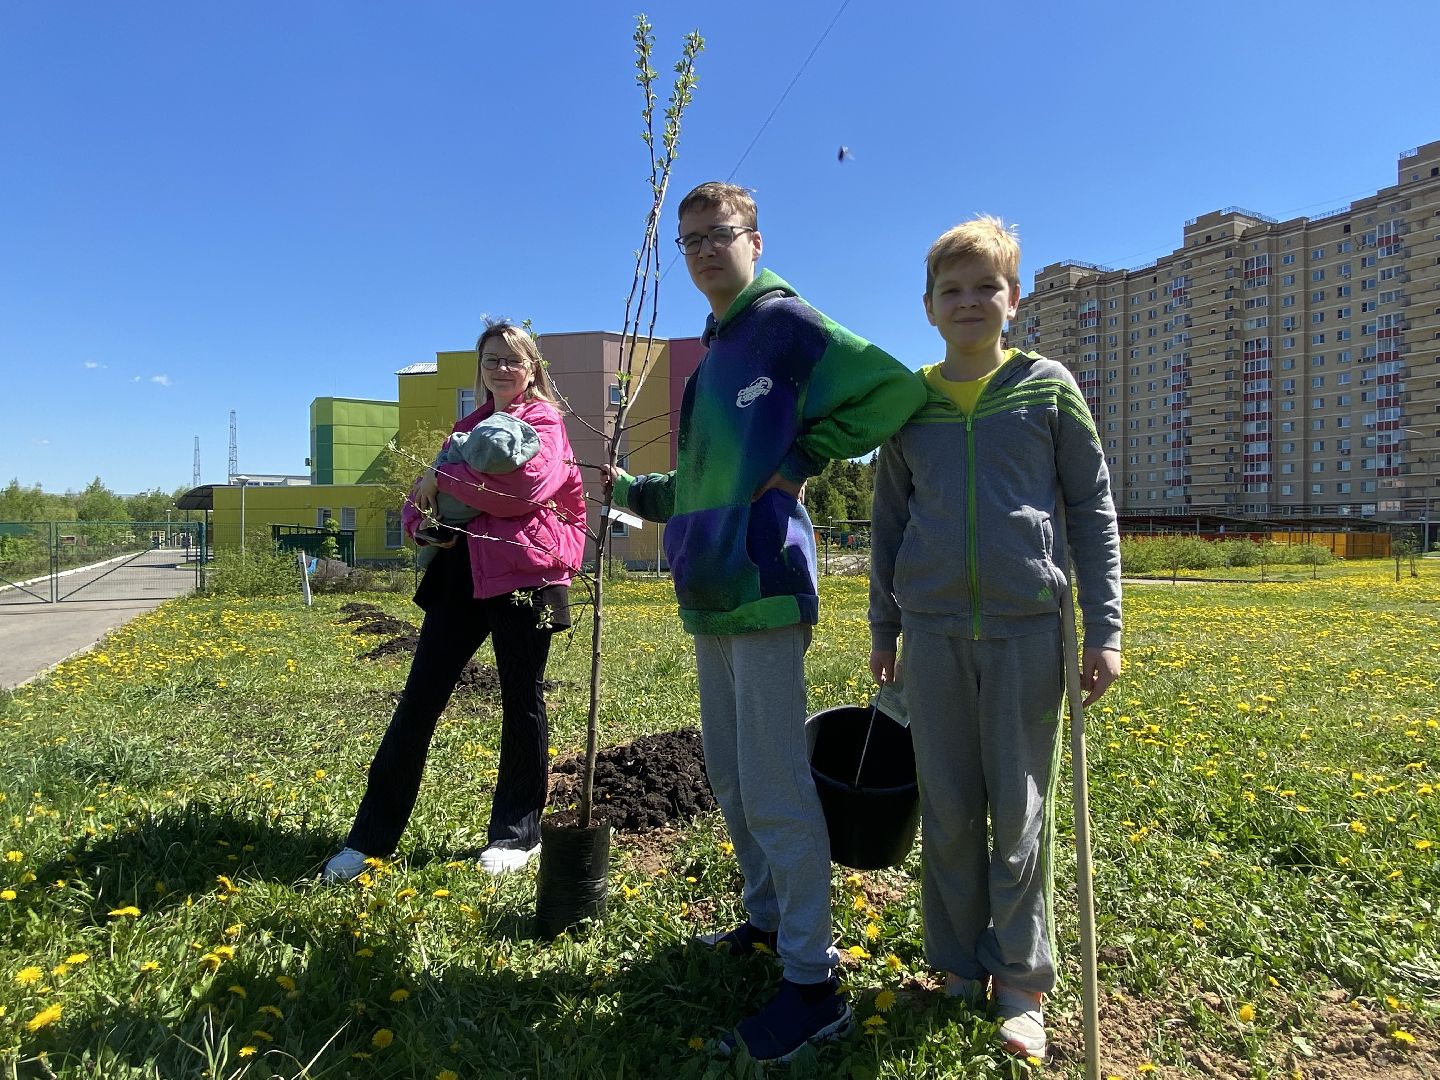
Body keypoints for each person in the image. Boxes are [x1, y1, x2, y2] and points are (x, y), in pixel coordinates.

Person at [604, 181, 926, 1063]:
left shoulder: (783, 324)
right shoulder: (714, 354)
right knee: (734, 777)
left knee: (779, 786)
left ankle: (813, 985)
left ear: (754, 238)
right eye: (691, 240)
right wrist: (626, 491)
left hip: (766, 587)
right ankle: (766, 923)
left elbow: (892, 391)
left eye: (721, 234)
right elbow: (699, 489)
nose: (707, 250)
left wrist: (805, 456)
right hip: (708, 590)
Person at [867, 216, 1122, 1060]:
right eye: (953, 290)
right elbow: (891, 523)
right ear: (929, 308)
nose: (970, 301)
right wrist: (885, 626)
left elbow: (1090, 508)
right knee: (945, 807)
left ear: (1013, 299)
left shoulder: (1048, 387)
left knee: (1019, 815)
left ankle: (1020, 982)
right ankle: (952, 964)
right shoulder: (911, 402)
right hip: (934, 634)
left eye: (987, 287)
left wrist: (1104, 629)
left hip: (1028, 633)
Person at [323, 320, 586, 883]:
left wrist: (441, 479)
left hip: (524, 573)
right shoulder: (466, 428)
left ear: (532, 366)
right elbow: (415, 507)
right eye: (491, 359)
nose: (501, 369)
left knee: (522, 700)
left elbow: (522, 492)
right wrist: (425, 522)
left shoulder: (545, 422)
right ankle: (369, 839)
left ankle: (517, 835)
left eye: (513, 359)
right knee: (419, 700)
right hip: (460, 573)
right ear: (480, 368)